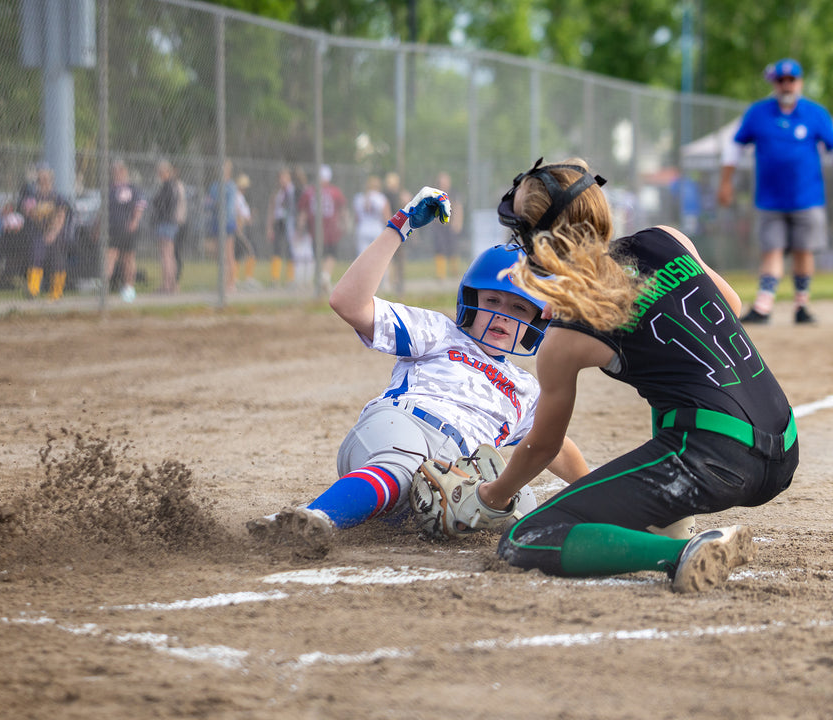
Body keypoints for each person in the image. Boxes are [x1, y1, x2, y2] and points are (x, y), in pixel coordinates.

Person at [461, 158, 798, 593]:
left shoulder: (565, 336)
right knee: (674, 386)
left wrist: (494, 495)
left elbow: (543, 445)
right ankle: (671, 523)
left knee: (525, 539)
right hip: (785, 447)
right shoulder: (665, 239)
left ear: (537, 243)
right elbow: (730, 304)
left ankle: (681, 553)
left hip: (716, 461)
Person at [246, 185, 589, 543]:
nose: (502, 315)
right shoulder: (440, 332)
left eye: (518, 308)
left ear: (537, 321)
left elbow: (554, 444)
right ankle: (310, 520)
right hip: (402, 426)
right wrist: (401, 225)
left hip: (448, 476)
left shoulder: (525, 388)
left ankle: (333, 509)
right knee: (402, 468)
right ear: (469, 301)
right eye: (492, 300)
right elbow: (348, 303)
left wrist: (595, 488)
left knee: (520, 504)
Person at [717, 58, 833, 325]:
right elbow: (733, 148)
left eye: (791, 80)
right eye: (781, 80)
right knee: (772, 249)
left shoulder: (815, 113)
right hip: (770, 199)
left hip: (808, 198)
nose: (786, 85)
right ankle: (763, 306)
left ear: (800, 82)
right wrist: (726, 183)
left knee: (805, 251)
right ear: (774, 83)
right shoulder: (758, 113)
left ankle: (801, 306)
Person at [18, 164, 70, 301]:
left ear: (51, 180)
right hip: (38, 233)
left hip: (56, 234)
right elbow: (29, 212)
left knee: (57, 261)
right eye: (41, 179)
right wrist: (40, 217)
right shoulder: (32, 197)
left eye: (46, 179)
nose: (43, 182)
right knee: (36, 257)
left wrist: (52, 233)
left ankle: (56, 292)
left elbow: (60, 216)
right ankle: (33, 290)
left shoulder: (57, 197)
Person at [103, 160, 148, 303]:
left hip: (127, 229)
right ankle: (105, 288)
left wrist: (134, 221)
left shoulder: (132, 188)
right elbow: (103, 210)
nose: (118, 174)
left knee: (128, 259)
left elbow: (140, 206)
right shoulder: (110, 189)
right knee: (111, 256)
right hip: (113, 229)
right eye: (116, 171)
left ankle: (129, 288)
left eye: (120, 171)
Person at [298, 164, 347, 294]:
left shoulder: (309, 192)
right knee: (331, 254)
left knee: (318, 255)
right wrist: (345, 223)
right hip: (331, 228)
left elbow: (303, 212)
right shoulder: (335, 192)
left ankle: (321, 278)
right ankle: (325, 276)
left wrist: (300, 227)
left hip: (315, 228)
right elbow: (342, 210)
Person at [205, 158, 239, 293]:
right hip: (216, 223)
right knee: (219, 255)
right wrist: (212, 204)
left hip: (227, 223)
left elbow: (229, 207)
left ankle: (231, 283)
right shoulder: (214, 186)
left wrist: (218, 205)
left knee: (228, 254)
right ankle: (222, 282)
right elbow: (209, 202)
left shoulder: (231, 186)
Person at [151, 159, 183, 294]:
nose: (159, 175)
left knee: (166, 255)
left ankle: (167, 285)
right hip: (170, 222)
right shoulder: (173, 186)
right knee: (169, 255)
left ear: (166, 172)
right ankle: (172, 285)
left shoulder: (168, 186)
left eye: (161, 172)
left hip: (166, 223)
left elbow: (160, 204)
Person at [429, 170, 464, 281]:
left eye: (445, 181)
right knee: (440, 248)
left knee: (453, 247)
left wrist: (458, 223)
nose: (443, 183)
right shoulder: (435, 194)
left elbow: (458, 208)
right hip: (439, 225)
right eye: (441, 181)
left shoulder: (453, 193)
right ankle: (441, 274)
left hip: (451, 224)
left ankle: (454, 272)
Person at [266, 166, 296, 287]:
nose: (282, 180)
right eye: (281, 177)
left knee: (290, 250)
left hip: (290, 222)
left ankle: (290, 278)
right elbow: (271, 210)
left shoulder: (293, 191)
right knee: (277, 249)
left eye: (285, 177)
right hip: (279, 221)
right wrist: (269, 227)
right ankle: (275, 278)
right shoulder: (277, 193)